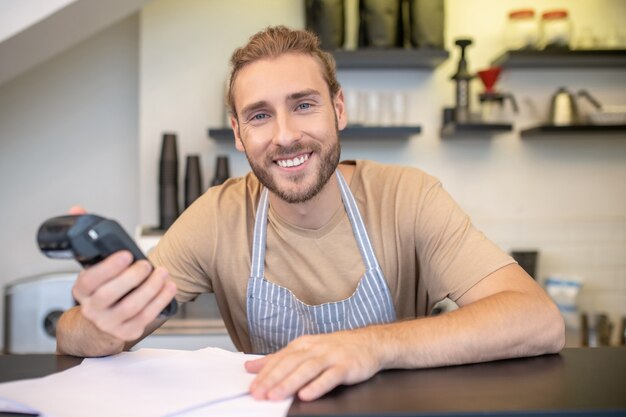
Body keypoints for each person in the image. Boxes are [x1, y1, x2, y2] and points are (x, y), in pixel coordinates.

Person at [56, 25, 565, 402]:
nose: (284, 135)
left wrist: (372, 347)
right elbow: (72, 335)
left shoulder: (408, 198)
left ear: (338, 110)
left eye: (303, 105)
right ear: (238, 133)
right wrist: (102, 323)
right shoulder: (216, 218)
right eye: (260, 115)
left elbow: (538, 320)